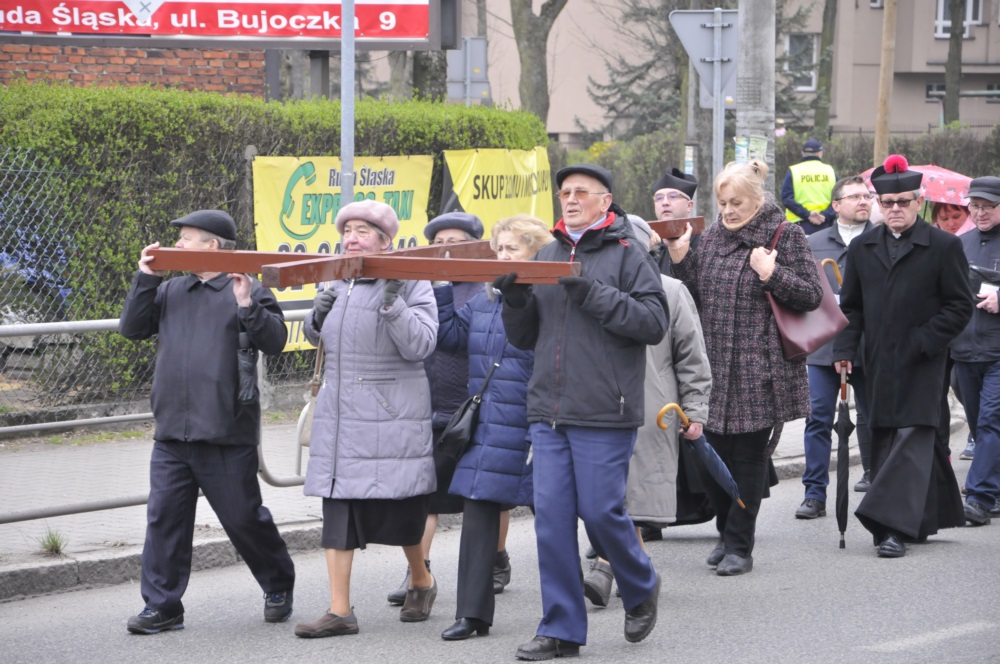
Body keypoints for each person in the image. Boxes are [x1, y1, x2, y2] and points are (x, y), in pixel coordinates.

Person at [494, 163, 668, 659]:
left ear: (604, 201)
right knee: (550, 521)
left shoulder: (627, 252)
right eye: (564, 192)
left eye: (580, 192)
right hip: (548, 409)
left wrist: (592, 292)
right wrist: (515, 302)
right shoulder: (547, 253)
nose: (569, 199)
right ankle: (562, 629)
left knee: (599, 511)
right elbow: (527, 338)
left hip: (605, 408)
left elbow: (653, 322)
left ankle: (640, 584)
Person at [118, 210, 295, 634]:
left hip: (225, 431)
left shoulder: (245, 287)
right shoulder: (172, 289)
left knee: (243, 518)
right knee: (164, 519)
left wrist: (246, 304)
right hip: (172, 434)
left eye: (186, 239)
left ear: (213, 245)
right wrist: (146, 278)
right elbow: (131, 328)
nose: (176, 245)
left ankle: (277, 583)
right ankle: (162, 606)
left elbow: (275, 341)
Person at [666, 160, 823, 576]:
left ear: (757, 200)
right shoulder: (714, 236)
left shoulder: (784, 234)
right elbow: (696, 295)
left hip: (760, 366)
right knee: (708, 455)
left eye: (736, 202)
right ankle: (725, 530)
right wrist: (681, 258)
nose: (729, 211)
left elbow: (811, 296)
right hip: (713, 363)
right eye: (722, 203)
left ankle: (740, 544)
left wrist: (772, 274)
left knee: (747, 458)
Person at [294, 200, 439, 637]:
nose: (352, 237)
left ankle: (421, 579)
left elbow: (421, 346)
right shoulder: (340, 280)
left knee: (402, 512)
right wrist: (314, 318)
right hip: (340, 419)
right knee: (337, 512)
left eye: (363, 230)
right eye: (347, 230)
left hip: (389, 415)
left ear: (385, 241)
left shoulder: (412, 280)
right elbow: (326, 340)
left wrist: (394, 304)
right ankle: (341, 611)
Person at [833, 155, 972, 559]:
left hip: (924, 362)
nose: (895, 209)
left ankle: (890, 527)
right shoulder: (862, 248)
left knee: (912, 436)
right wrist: (844, 350)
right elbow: (852, 306)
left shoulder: (944, 246)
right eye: (888, 203)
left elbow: (959, 307)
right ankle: (931, 513)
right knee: (888, 437)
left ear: (918, 203)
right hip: (876, 360)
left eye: (904, 202)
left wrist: (923, 341)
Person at [434, 214, 552, 641]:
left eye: (512, 250)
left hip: (539, 421)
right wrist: (442, 286)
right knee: (479, 514)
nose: (502, 258)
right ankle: (472, 614)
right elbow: (449, 336)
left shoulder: (550, 298)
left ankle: (617, 576)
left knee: (566, 514)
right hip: (488, 424)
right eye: (498, 249)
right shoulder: (484, 298)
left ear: (535, 255)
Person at [583, 216, 711, 607]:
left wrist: (696, 410)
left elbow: (691, 355)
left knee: (630, 497)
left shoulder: (671, 290)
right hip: (596, 408)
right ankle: (636, 568)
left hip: (652, 410)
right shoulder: (591, 290)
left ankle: (607, 566)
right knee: (605, 498)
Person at [385, 212, 499, 606]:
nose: (444, 249)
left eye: (455, 241)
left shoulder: (485, 289)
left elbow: (456, 338)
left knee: (485, 493)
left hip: (474, 406)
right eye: (437, 242)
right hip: (428, 407)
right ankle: (420, 571)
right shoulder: (425, 287)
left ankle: (497, 558)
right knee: (426, 493)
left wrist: (444, 290)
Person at [796, 176, 877, 521]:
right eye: (855, 196)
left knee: (872, 416)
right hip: (824, 347)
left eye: (867, 195)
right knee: (817, 418)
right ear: (836, 205)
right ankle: (814, 493)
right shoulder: (812, 242)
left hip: (869, 344)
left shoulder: (879, 240)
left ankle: (875, 479)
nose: (863, 201)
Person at [951, 176, 1000, 526]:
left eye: (988, 207)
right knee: (979, 425)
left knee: (990, 421)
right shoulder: (959, 243)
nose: (980, 213)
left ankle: (979, 496)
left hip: (998, 351)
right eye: (975, 206)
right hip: (964, 350)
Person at [781, 138, 837, 235]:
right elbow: (839, 198)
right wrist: (825, 215)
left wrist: (807, 214)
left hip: (799, 225)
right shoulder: (830, 171)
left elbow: (786, 198)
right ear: (820, 153)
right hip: (825, 225)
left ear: (802, 153)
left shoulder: (794, 171)